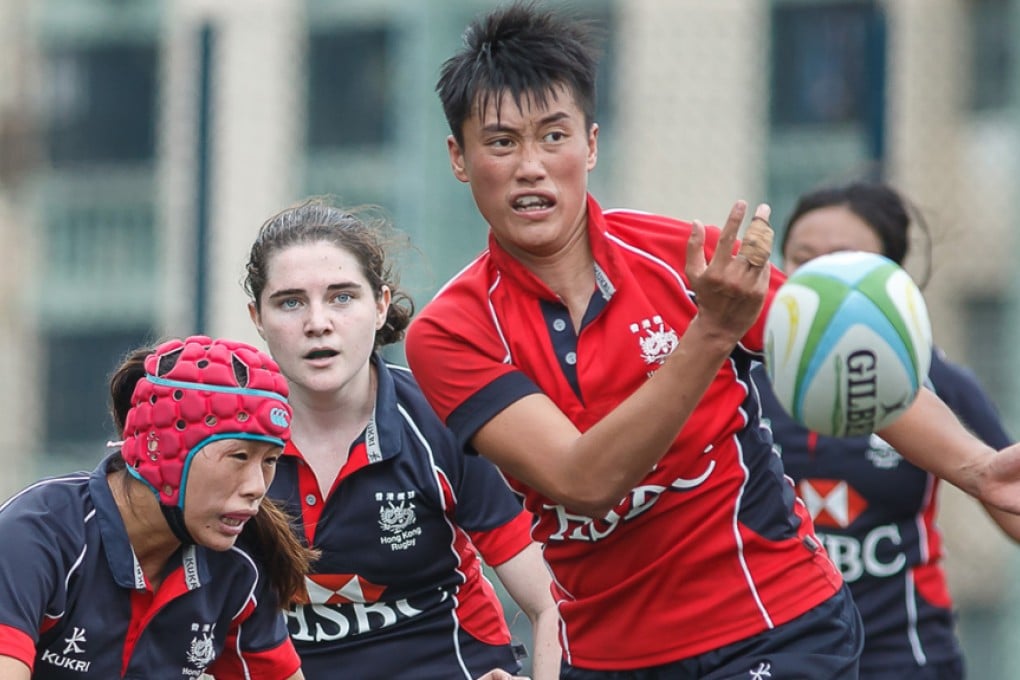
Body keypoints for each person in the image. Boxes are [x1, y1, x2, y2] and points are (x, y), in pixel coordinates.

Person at [403, 2, 1020, 678]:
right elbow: (583, 481)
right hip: (611, 657)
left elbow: (845, 349)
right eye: (501, 143)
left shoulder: (682, 257)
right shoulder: (451, 332)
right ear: (459, 159)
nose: (531, 166)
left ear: (592, 145)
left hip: (774, 626)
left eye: (554, 136)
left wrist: (976, 469)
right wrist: (713, 332)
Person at [243, 198, 561, 680]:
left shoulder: (442, 419)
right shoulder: (226, 439)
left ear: (381, 307)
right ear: (257, 318)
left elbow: (553, 601)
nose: (317, 322)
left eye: (342, 297)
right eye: (290, 302)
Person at [754, 180, 1020, 679]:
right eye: (802, 260)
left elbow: (1010, 500)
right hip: (778, 655)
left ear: (891, 278)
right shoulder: (739, 378)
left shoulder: (936, 382)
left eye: (842, 262)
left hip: (904, 655)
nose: (818, 279)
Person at [0, 335, 315, 679]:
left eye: (270, 461)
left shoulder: (239, 566)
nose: (257, 487)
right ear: (156, 450)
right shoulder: (35, 535)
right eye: (238, 456)